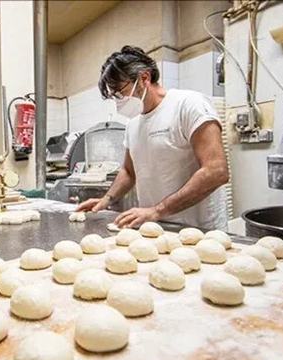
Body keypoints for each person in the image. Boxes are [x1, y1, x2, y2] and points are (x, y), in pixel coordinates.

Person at [77, 46, 230, 231]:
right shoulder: (133, 123)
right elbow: (128, 171)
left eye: (120, 92)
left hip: (199, 230)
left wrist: (157, 210)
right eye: (114, 96)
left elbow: (216, 171)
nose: (118, 101)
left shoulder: (189, 105)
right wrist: (106, 199)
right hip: (155, 228)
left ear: (144, 78)